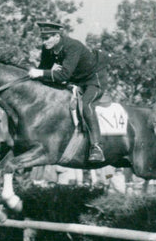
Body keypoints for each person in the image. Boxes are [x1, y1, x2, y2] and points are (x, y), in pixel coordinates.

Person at [28, 21, 108, 163]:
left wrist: (40, 73)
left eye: (47, 38)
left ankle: (97, 147)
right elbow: (44, 69)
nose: (44, 42)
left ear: (57, 37)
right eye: (42, 38)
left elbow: (62, 75)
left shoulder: (73, 46)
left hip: (94, 80)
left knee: (86, 105)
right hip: (75, 81)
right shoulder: (48, 48)